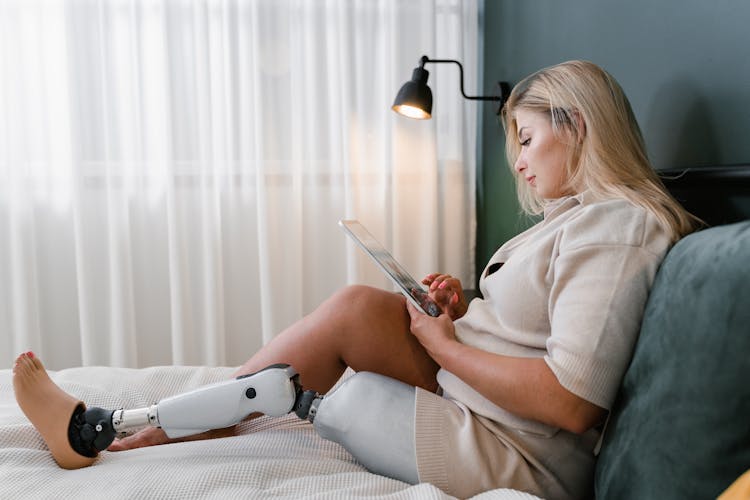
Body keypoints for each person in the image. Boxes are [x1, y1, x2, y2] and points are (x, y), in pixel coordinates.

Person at [12, 60, 701, 499]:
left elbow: (568, 402)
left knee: (344, 321)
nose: (518, 163)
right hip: (483, 397)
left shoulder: (620, 225)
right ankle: (138, 428)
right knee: (358, 310)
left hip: (516, 447)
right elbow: (541, 321)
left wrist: (445, 347)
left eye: (524, 139)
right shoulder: (577, 221)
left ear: (576, 123)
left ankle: (113, 431)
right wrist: (459, 309)